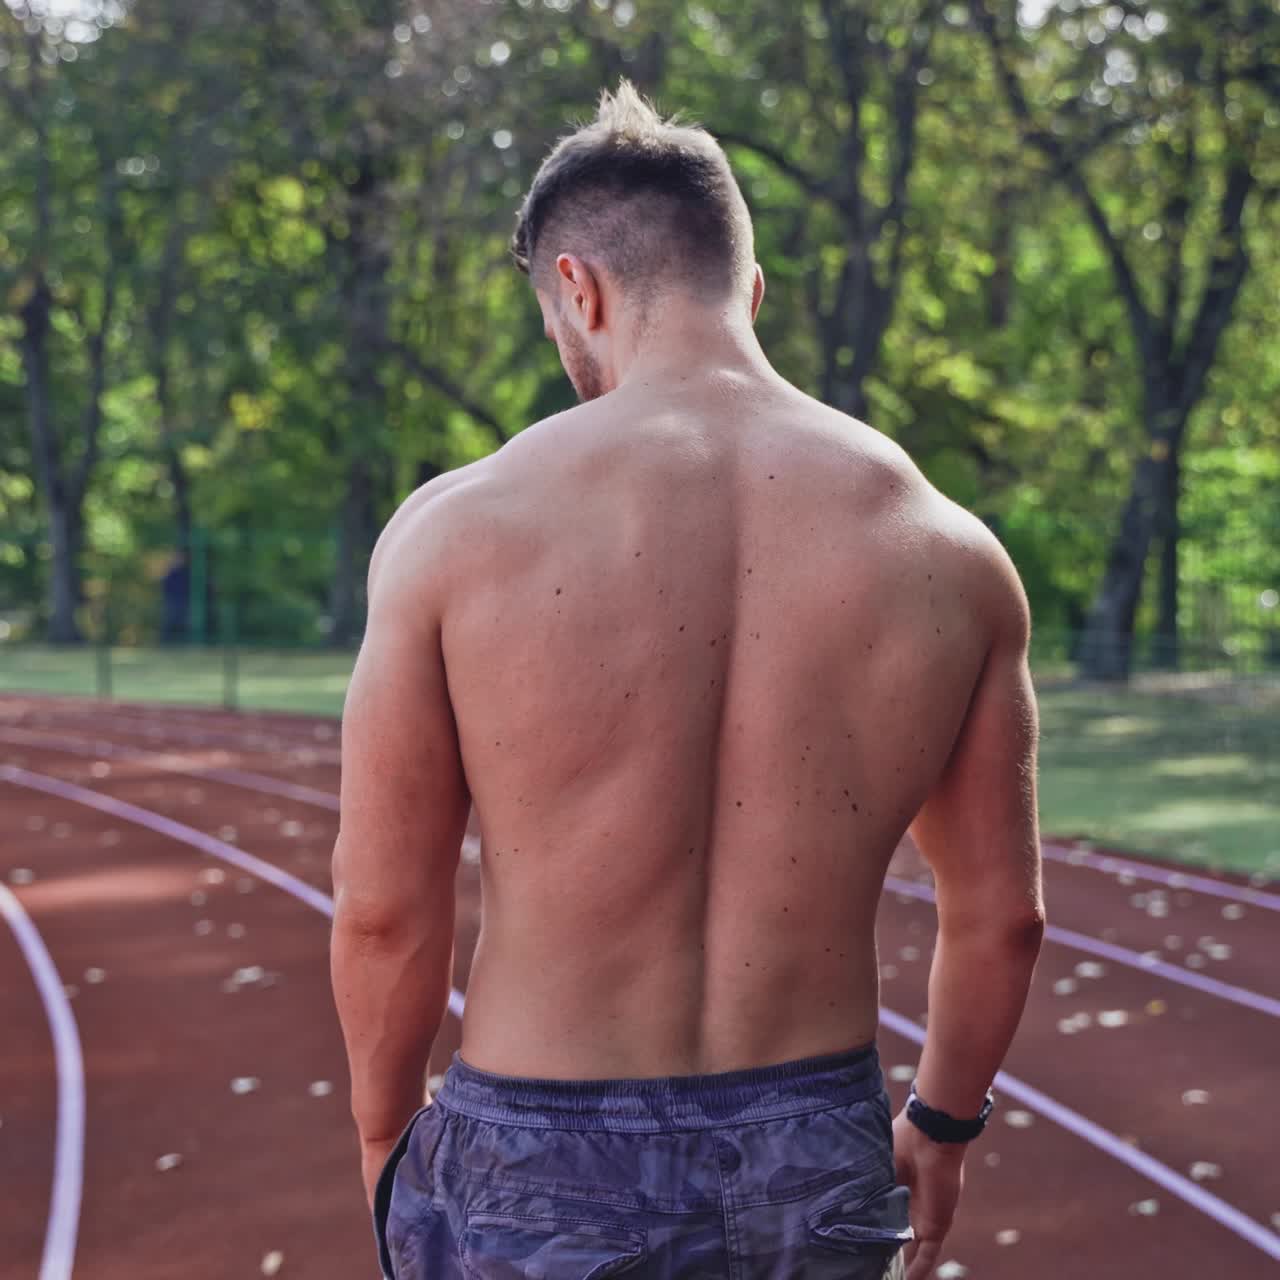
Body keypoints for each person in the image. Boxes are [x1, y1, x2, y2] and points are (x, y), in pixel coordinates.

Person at [331, 81, 1044, 1280]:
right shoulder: (947, 549)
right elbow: (1001, 917)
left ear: (579, 288)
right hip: (813, 1153)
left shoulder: (455, 528)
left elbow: (385, 912)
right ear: (749, 292)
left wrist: (381, 1136)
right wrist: (940, 1120)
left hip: (537, 1151)